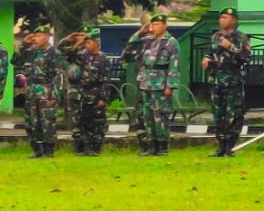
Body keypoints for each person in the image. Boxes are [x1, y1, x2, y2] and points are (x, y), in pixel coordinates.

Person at [122, 13, 180, 157]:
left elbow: (174, 65)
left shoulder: (171, 42)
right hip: (145, 82)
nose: (155, 27)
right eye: (153, 24)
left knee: (160, 115)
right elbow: (127, 54)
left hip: (160, 83)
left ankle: (162, 145)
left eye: (158, 24)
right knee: (147, 116)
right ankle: (151, 145)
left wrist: (170, 85)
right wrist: (138, 34)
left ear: (165, 25)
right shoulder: (147, 41)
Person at [203, 7, 251, 157]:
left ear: (234, 20)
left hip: (233, 81)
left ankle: (230, 146)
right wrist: (206, 59)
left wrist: (229, 46)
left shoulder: (240, 37)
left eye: (226, 17)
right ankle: (220, 146)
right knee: (218, 114)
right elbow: (209, 53)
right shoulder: (215, 36)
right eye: (221, 17)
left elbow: (246, 57)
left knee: (233, 114)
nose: (223, 20)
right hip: (217, 80)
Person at [15, 24, 65, 158]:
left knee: (46, 121)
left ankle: (49, 151)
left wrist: (55, 95)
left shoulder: (54, 54)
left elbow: (58, 75)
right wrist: (23, 45)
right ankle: (37, 149)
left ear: (48, 37)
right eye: (35, 36)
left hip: (46, 89)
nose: (36, 38)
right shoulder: (31, 52)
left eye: (40, 35)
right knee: (32, 121)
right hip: (31, 90)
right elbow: (15, 61)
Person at [66, 28, 113, 156]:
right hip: (83, 92)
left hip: (96, 92)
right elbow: (68, 53)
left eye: (89, 42)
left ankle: (95, 148)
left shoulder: (103, 59)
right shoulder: (83, 56)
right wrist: (78, 43)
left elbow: (105, 80)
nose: (87, 45)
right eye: (86, 43)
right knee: (83, 121)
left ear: (97, 42)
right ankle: (83, 147)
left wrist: (103, 98)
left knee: (97, 122)